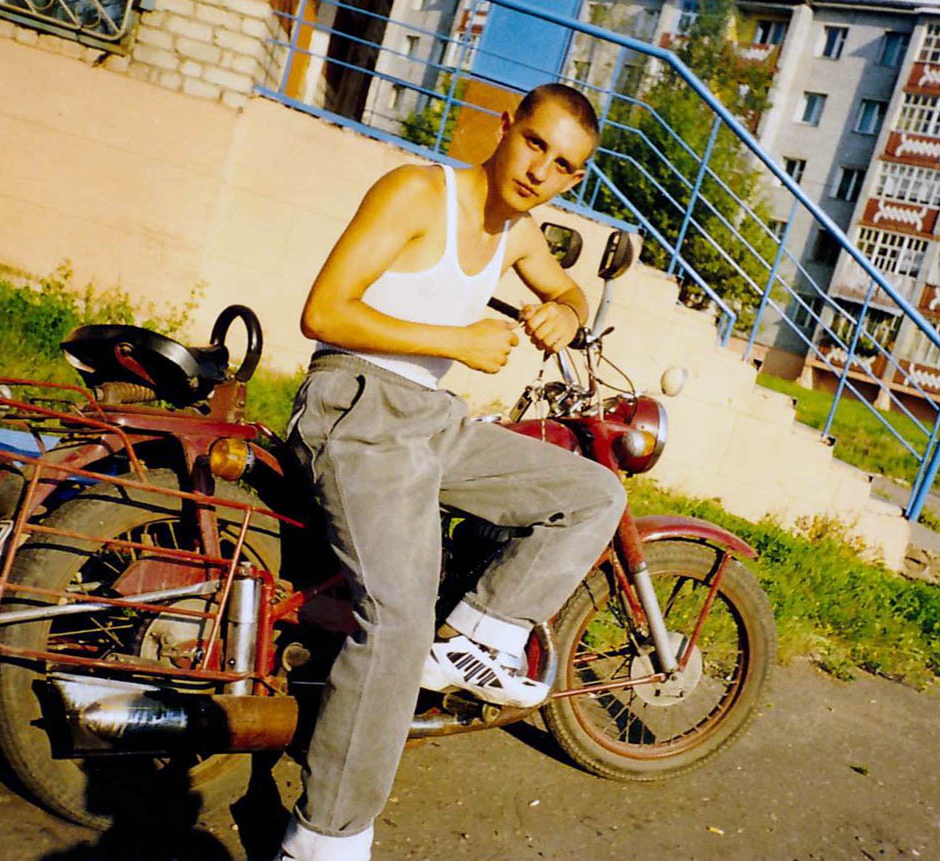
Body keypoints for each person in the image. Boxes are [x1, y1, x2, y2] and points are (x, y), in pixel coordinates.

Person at [276, 84, 627, 861]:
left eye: (563, 165)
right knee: (398, 620)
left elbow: (566, 287)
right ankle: (322, 839)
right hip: (358, 405)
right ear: (505, 128)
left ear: (574, 179)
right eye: (534, 143)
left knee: (593, 492)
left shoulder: (519, 231)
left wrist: (567, 310)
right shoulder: (416, 192)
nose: (539, 170)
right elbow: (323, 311)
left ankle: (478, 638)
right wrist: (455, 341)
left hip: (433, 421)